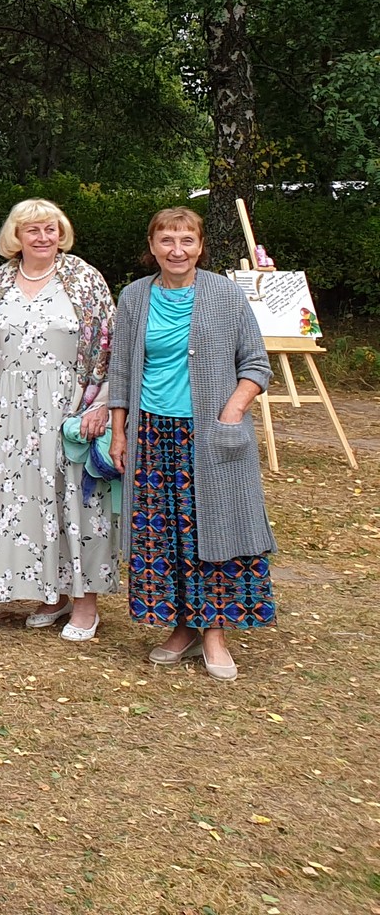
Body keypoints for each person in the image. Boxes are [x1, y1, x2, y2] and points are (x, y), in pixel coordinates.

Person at [113, 206, 274, 680]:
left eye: (186, 241)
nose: (176, 251)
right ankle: (180, 629)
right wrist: (120, 430)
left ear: (200, 247)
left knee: (214, 532)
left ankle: (216, 636)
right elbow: (121, 369)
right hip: (153, 434)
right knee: (162, 537)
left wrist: (233, 410)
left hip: (210, 435)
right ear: (152, 246)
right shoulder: (135, 297)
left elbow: (256, 364)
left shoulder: (224, 294)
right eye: (167, 241)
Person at [0, 198, 120, 640]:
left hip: (70, 403)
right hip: (12, 409)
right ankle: (49, 593)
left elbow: (110, 347)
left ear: (62, 233)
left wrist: (100, 405)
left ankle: (85, 603)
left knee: (77, 501)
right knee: (29, 502)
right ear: (15, 236)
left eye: (50, 229)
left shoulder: (84, 279)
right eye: (32, 230)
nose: (42, 237)